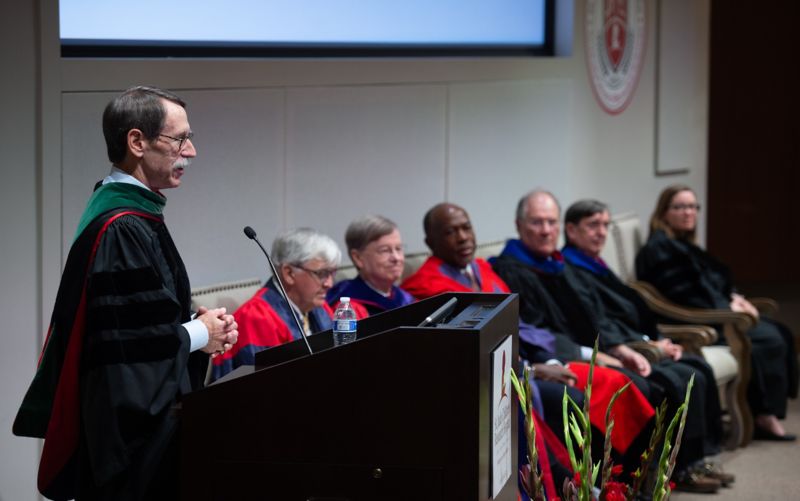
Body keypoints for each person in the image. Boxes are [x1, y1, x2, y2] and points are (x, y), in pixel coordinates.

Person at [13, 86, 239, 500]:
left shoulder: (128, 215)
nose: (191, 152)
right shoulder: (121, 228)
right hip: (133, 448)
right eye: (180, 139)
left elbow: (138, 321)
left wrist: (199, 330)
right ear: (137, 142)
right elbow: (130, 348)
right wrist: (200, 333)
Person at [401, 203, 655, 459]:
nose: (463, 237)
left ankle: (624, 480)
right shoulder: (427, 288)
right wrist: (532, 369)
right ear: (430, 241)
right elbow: (476, 350)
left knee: (618, 381)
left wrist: (560, 357)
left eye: (466, 227)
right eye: (450, 232)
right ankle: (593, 483)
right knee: (578, 395)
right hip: (503, 375)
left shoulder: (482, 269)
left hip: (534, 357)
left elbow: (521, 325)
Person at [562, 199, 731, 490]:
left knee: (696, 367)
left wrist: (654, 339)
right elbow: (596, 322)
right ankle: (675, 469)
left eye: (605, 225)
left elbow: (625, 311)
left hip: (636, 340)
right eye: (593, 225)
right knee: (678, 380)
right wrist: (642, 344)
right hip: (618, 348)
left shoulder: (596, 264)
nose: (601, 232)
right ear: (571, 230)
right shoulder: (570, 269)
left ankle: (694, 459)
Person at [636, 184, 798, 442]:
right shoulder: (659, 249)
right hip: (695, 319)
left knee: (781, 332)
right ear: (664, 212)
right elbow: (682, 295)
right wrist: (726, 309)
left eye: (692, 206)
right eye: (680, 207)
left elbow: (713, 280)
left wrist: (735, 298)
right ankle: (763, 413)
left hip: (717, 310)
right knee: (769, 339)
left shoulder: (683, 244)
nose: (688, 212)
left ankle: (767, 412)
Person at [212, 228, 363, 380]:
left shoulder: (316, 306)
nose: (330, 283)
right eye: (322, 274)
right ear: (289, 273)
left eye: (332, 273)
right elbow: (268, 384)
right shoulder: (257, 317)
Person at [326, 215, 414, 316]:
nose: (396, 258)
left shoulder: (405, 298)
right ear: (358, 258)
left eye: (398, 249)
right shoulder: (347, 306)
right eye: (385, 250)